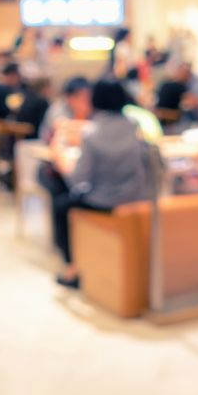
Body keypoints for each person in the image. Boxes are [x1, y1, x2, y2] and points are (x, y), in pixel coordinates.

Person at [53, 79, 160, 289]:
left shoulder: (92, 134)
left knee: (61, 206)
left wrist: (62, 160)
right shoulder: (135, 126)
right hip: (138, 196)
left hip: (104, 201)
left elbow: (78, 179)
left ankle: (72, 268)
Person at [41, 76, 93, 142]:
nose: (85, 100)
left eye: (88, 97)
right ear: (68, 97)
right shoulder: (58, 108)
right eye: (79, 97)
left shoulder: (92, 109)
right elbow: (59, 125)